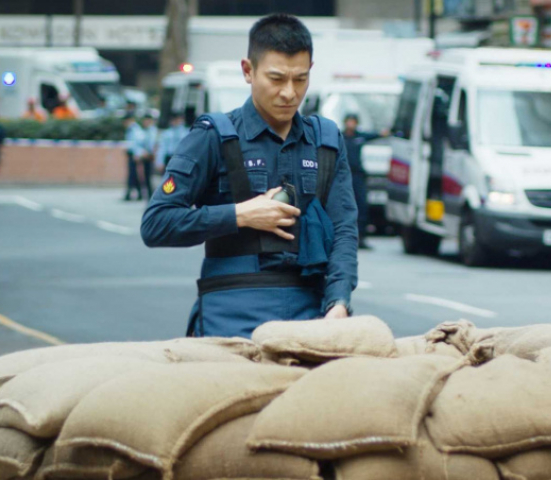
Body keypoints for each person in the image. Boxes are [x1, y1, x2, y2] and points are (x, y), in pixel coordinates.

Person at [141, 14, 358, 339]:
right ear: (248, 71)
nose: (289, 92)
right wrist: (240, 215)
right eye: (277, 78)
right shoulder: (213, 137)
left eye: (300, 79)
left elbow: (343, 231)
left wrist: (338, 302)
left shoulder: (326, 141)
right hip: (230, 311)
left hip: (312, 313)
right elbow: (156, 224)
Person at [342, 113, 387, 250]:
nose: (351, 124)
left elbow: (374, 135)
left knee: (361, 206)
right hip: (343, 176)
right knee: (343, 207)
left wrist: (384, 133)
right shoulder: (340, 137)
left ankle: (361, 238)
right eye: (349, 122)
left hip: (358, 176)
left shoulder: (359, 136)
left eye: (353, 122)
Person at [123, 114, 145, 201]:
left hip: (134, 154)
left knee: (132, 174)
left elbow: (138, 143)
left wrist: (137, 154)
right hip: (131, 154)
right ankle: (138, 193)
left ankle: (129, 194)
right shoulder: (130, 129)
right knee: (134, 174)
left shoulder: (135, 130)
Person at [140, 114, 159, 199]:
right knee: (147, 179)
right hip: (147, 158)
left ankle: (153, 198)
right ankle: (149, 198)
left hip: (152, 158)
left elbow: (155, 146)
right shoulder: (146, 131)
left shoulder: (153, 131)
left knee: (153, 179)